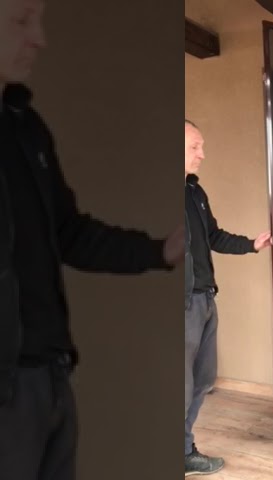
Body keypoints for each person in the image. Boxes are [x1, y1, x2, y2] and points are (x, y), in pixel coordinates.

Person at [0, 0, 184, 478]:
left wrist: (158, 251)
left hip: (51, 374)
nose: (39, 38)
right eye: (21, 20)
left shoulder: (26, 127)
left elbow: (67, 232)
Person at [184, 119, 271, 476]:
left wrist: (252, 244)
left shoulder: (194, 193)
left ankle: (183, 451)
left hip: (205, 298)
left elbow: (214, 236)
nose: (202, 154)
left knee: (203, 380)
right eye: (195, 146)